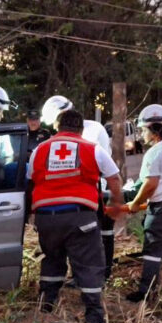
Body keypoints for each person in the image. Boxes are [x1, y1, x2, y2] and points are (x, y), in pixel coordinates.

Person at [27, 108, 124, 323]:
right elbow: (114, 178)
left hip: (47, 218)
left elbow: (30, 180)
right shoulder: (92, 148)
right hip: (80, 218)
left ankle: (46, 306)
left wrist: (31, 215)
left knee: (52, 259)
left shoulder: (40, 149)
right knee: (89, 264)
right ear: (80, 129)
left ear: (58, 127)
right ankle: (94, 315)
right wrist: (116, 203)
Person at [114, 104, 162, 303]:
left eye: (143, 129)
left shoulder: (156, 152)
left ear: (154, 129)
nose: (142, 134)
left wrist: (134, 203)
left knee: (152, 252)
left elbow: (150, 184)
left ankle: (146, 293)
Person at [39, 95, 116, 278]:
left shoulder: (92, 131)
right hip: (75, 197)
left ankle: (100, 275)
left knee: (98, 236)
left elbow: (105, 167)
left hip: (94, 192)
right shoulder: (60, 137)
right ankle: (82, 276)